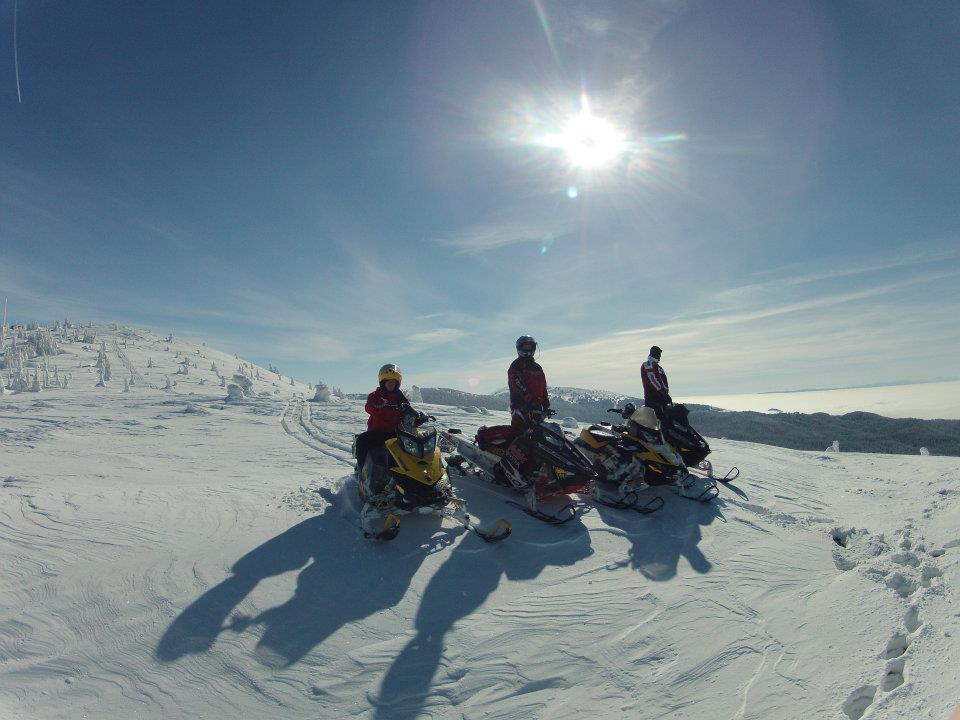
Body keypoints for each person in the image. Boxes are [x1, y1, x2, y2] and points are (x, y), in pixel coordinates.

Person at [494, 335, 551, 488]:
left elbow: (543, 386)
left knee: (537, 438)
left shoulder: (537, 367)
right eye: (524, 347)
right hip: (521, 407)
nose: (527, 350)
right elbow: (517, 384)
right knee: (520, 435)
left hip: (536, 409)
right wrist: (528, 399)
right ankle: (505, 467)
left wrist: (545, 401)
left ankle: (533, 469)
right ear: (519, 349)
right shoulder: (516, 365)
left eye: (530, 347)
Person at [354, 363, 415, 480]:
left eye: (393, 382)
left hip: (397, 433)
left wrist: (418, 418)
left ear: (397, 383)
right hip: (378, 432)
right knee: (361, 441)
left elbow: (409, 411)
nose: (391, 384)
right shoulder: (375, 395)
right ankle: (363, 475)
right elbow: (369, 407)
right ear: (383, 382)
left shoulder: (400, 397)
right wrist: (377, 406)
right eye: (388, 382)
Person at [641, 345, 672, 419]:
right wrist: (662, 392)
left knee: (667, 417)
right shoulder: (648, 364)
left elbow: (662, 381)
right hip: (652, 397)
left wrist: (665, 393)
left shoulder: (658, 367)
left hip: (661, 397)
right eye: (659, 354)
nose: (660, 356)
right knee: (657, 420)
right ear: (654, 354)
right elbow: (653, 380)